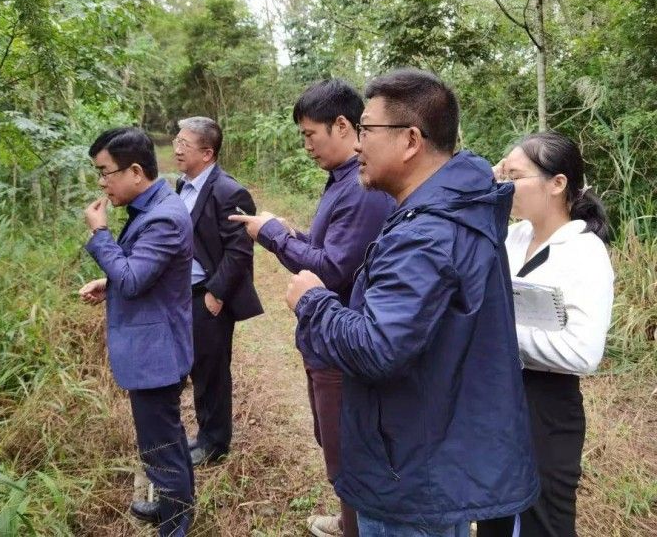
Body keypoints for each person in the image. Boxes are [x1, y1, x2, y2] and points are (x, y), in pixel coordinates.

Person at [284, 68, 540, 536]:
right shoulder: (451, 209)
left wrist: (313, 301)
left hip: (410, 474)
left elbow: (378, 348)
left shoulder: (426, 234)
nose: (357, 145)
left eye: (366, 130)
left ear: (410, 141)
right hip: (433, 449)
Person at [230, 79, 395, 537]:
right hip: (325, 338)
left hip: (342, 342)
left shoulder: (361, 188)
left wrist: (272, 236)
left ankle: (357, 526)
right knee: (333, 441)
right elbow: (331, 250)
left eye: (310, 134)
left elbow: (334, 270)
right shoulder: (341, 181)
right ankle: (349, 521)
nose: (306, 145)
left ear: (342, 125)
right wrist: (288, 233)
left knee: (347, 451)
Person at [477, 132, 614, 537]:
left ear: (557, 183)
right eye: (503, 175)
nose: (505, 185)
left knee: (541, 519)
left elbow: (583, 352)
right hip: (499, 395)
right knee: (495, 513)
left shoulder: (584, 252)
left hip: (546, 406)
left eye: (514, 176)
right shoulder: (513, 235)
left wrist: (500, 332)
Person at [80, 127, 194, 536]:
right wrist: (109, 282)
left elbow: (132, 279)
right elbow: (141, 273)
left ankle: (174, 525)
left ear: (134, 172)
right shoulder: (153, 205)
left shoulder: (163, 216)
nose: (102, 182)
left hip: (155, 354)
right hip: (156, 347)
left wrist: (100, 234)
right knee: (166, 438)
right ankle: (173, 507)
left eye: (105, 172)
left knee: (160, 446)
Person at [173, 116, 263, 467]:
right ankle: (203, 434)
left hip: (206, 295)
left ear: (207, 153)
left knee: (211, 371)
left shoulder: (229, 192)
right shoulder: (182, 186)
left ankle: (215, 442)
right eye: (177, 141)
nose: (177, 149)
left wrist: (216, 293)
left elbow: (239, 250)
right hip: (181, 294)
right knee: (194, 365)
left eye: (184, 144)